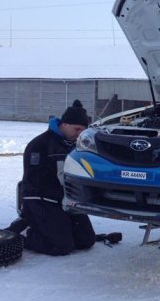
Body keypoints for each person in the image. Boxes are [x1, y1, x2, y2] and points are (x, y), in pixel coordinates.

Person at [7, 100, 96, 255]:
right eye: (76, 129)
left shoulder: (77, 146)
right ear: (64, 124)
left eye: (82, 131)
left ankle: (59, 227)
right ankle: (25, 230)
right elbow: (34, 180)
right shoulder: (40, 145)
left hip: (68, 201)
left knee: (86, 241)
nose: (79, 134)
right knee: (62, 246)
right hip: (42, 201)